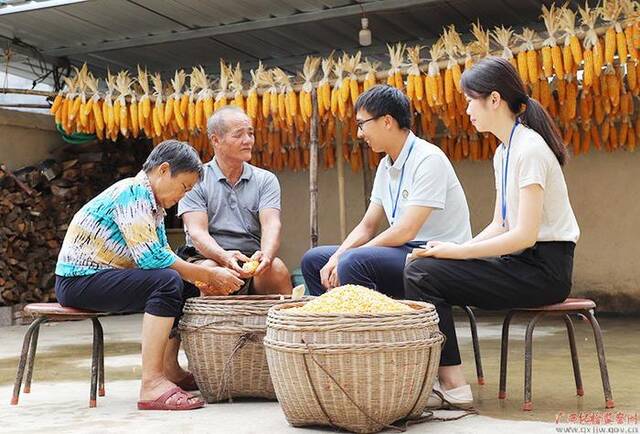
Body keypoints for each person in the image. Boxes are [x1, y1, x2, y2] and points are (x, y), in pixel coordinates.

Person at [404, 57, 580, 409]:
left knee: (421, 273)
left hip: (544, 271)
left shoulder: (529, 149)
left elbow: (524, 235)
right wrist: (453, 247)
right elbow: (501, 224)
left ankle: (452, 385)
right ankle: (446, 381)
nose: (467, 108)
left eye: (471, 99)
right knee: (421, 265)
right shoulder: (504, 152)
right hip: (520, 264)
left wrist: (454, 254)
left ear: (494, 99)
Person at [55, 140, 245, 411]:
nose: (183, 195)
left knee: (183, 284)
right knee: (167, 281)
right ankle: (151, 383)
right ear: (164, 170)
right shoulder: (132, 192)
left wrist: (200, 278)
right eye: (184, 187)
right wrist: (208, 274)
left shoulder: (151, 204)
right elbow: (152, 259)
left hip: (99, 279)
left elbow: (163, 253)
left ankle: (170, 370)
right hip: (78, 281)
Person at [301, 85, 471, 298]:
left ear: (387, 121)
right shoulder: (385, 166)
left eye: (362, 124)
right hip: (403, 251)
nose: (359, 133)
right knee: (314, 260)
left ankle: (372, 329)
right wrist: (338, 255)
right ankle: (334, 326)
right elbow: (367, 225)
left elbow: (405, 230)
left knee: (354, 261)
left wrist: (351, 255)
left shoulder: (428, 159)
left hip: (435, 255)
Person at [177, 106, 292, 295]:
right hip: (208, 256)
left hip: (251, 257)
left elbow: (272, 224)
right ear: (216, 140)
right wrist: (224, 256)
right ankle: (214, 325)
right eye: (238, 135)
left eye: (250, 133)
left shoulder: (265, 179)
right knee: (212, 272)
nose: (248, 141)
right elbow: (197, 232)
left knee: (277, 269)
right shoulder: (196, 179)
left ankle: (283, 323)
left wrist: (266, 256)